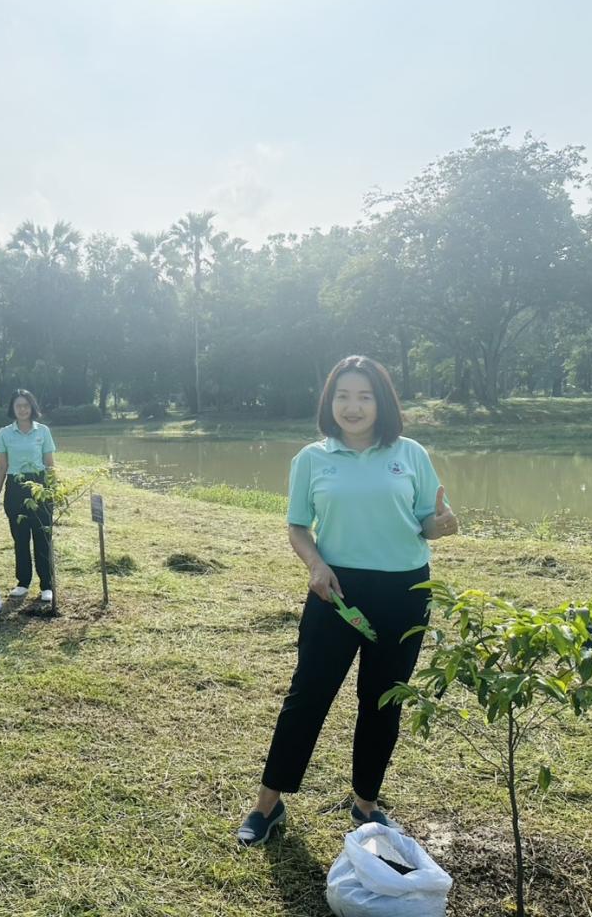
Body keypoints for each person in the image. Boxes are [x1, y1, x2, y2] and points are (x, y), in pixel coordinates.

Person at [236, 355, 460, 848]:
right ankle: (267, 806)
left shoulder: (411, 453)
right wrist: (315, 564)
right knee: (308, 696)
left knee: (382, 701)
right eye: (343, 395)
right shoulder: (312, 458)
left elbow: (428, 521)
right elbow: (298, 526)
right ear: (329, 401)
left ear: (382, 403)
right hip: (335, 592)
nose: (352, 406)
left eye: (364, 396)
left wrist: (442, 525)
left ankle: (366, 805)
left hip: (405, 592)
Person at [0, 389, 57, 604]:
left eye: (26, 405)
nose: (22, 409)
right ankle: (23, 582)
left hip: (39, 487)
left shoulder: (42, 431)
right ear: (13, 409)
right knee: (20, 538)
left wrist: (53, 490)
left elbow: (50, 464)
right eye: (18, 406)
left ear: (32, 407)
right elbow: (1, 466)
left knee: (42, 538)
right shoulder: (5, 433)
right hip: (15, 488)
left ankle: (47, 585)